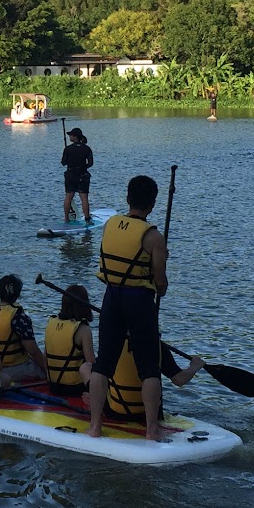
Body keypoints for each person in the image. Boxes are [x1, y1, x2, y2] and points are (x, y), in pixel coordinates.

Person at [88, 174, 169, 441]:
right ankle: (151, 429)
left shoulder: (109, 224)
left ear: (127, 198)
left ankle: (95, 426)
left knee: (102, 364)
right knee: (149, 367)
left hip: (111, 297)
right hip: (139, 301)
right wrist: (161, 281)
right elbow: (160, 283)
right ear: (153, 204)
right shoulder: (154, 238)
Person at [103, 351, 204, 430]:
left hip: (114, 413)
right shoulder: (155, 346)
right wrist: (194, 367)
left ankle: (97, 423)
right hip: (145, 416)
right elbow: (179, 379)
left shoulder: (111, 343)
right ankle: (152, 430)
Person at [0, 274, 46, 386]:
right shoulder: (19, 317)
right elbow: (33, 350)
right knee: (42, 370)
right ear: (18, 293)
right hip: (13, 367)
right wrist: (48, 369)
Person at [43, 284, 95, 397]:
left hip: (54, 386)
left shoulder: (51, 323)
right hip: (76, 388)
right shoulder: (83, 329)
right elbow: (91, 362)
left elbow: (45, 358)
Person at [61, 127, 93, 223]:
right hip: (83, 175)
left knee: (68, 197)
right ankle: (87, 218)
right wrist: (83, 167)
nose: (70, 137)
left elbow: (63, 163)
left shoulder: (68, 149)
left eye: (71, 135)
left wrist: (69, 157)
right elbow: (90, 163)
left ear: (75, 137)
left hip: (70, 175)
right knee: (84, 198)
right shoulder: (87, 149)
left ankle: (66, 218)